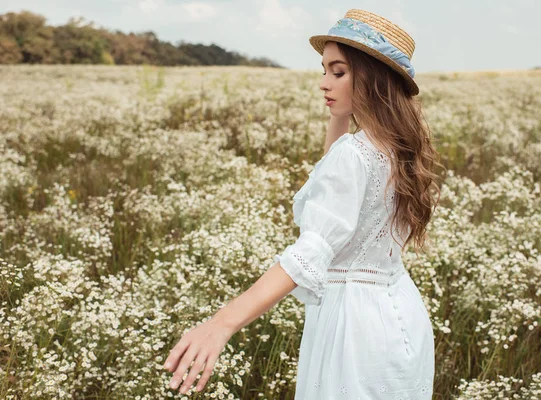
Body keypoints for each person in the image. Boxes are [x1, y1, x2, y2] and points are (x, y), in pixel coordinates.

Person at [163, 8, 442, 399]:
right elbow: (338, 176)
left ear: (373, 79)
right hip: (400, 318)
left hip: (354, 331)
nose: (324, 83)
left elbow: (312, 251)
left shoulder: (355, 155)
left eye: (338, 72)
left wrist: (221, 323)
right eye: (324, 70)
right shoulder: (398, 149)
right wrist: (341, 114)